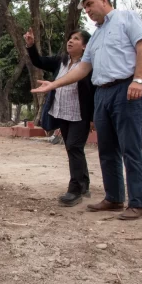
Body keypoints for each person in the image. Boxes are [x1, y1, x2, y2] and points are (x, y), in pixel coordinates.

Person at [32, 0, 142, 220]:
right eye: (85, 7)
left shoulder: (128, 18)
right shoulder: (96, 37)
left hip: (126, 89)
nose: (87, 10)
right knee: (106, 149)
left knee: (130, 148)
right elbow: (83, 68)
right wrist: (54, 84)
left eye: (89, 5)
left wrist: (138, 79)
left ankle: (137, 202)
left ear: (104, 0)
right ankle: (114, 198)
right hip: (102, 94)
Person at [25, 27, 95, 207]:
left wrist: (93, 117)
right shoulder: (60, 61)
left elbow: (93, 91)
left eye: (76, 39)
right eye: (70, 37)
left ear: (85, 46)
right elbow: (38, 61)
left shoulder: (89, 65)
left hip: (80, 114)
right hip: (62, 113)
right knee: (74, 148)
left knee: (73, 147)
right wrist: (31, 45)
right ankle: (84, 183)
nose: (70, 41)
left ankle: (75, 190)